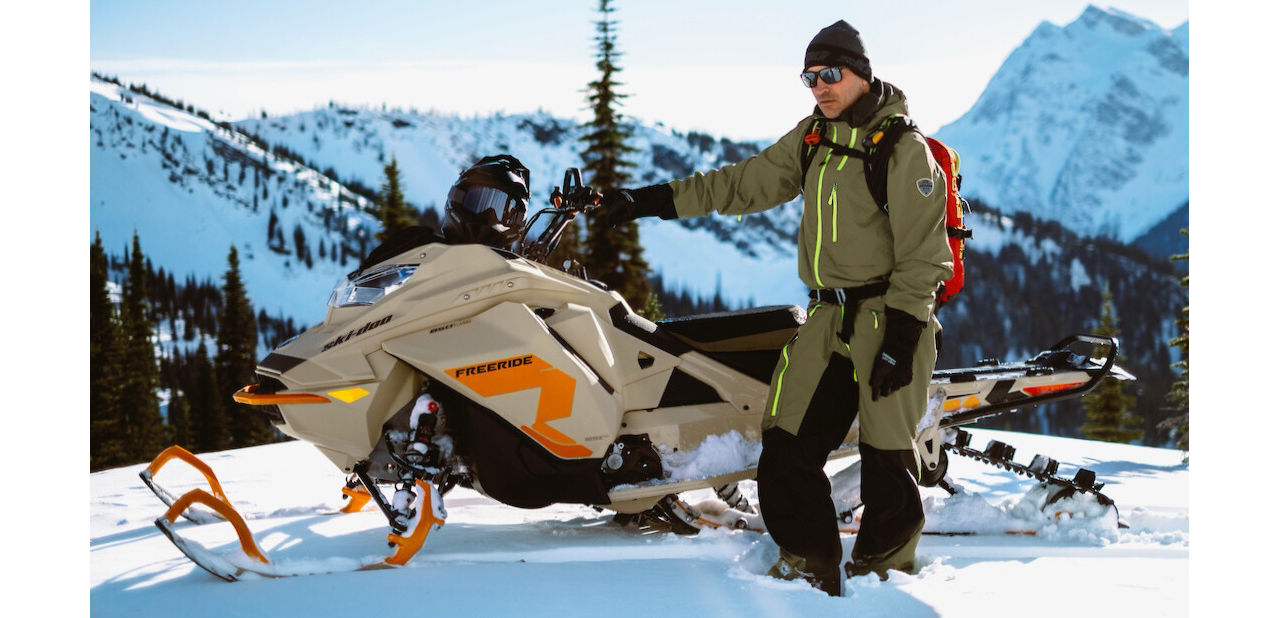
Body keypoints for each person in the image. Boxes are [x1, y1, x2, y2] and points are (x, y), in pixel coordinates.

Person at [598, 20, 953, 596]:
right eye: (809, 77)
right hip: (825, 319)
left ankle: (883, 581)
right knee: (786, 444)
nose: (819, 87)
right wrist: (650, 201)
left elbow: (925, 257)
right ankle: (808, 564)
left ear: (860, 73)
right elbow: (742, 184)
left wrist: (904, 334)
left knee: (888, 458)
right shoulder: (814, 138)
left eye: (830, 74)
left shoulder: (903, 151)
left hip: (890, 318)